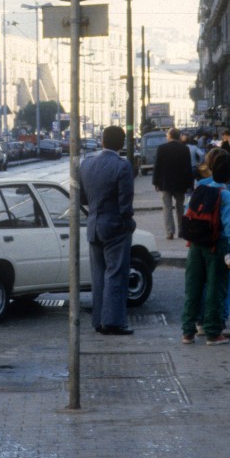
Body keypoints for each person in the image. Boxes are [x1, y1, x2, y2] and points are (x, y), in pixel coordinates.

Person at [79, 125, 135, 335]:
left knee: (98, 275)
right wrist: (128, 223)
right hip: (115, 227)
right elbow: (125, 203)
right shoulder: (123, 166)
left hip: (93, 226)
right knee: (116, 274)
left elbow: (82, 198)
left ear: (102, 141)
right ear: (121, 144)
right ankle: (112, 322)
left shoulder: (87, 164)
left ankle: (99, 321)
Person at [181, 154, 230, 345]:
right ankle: (213, 333)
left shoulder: (200, 189)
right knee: (216, 289)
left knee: (193, 288)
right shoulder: (226, 196)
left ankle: (187, 332)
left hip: (196, 245)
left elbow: (187, 214)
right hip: (218, 246)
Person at [195, 148, 230, 337]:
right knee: (224, 284)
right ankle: (221, 322)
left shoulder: (201, 184)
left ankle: (201, 322)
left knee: (203, 282)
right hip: (225, 241)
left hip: (202, 241)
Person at [152, 127, 194, 240]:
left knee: (167, 207)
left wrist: (155, 182)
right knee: (180, 207)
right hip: (181, 183)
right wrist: (190, 184)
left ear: (170, 136)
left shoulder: (162, 148)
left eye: (167, 135)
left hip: (165, 183)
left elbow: (157, 166)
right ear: (178, 136)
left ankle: (170, 232)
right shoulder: (184, 149)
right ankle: (181, 230)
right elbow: (188, 167)